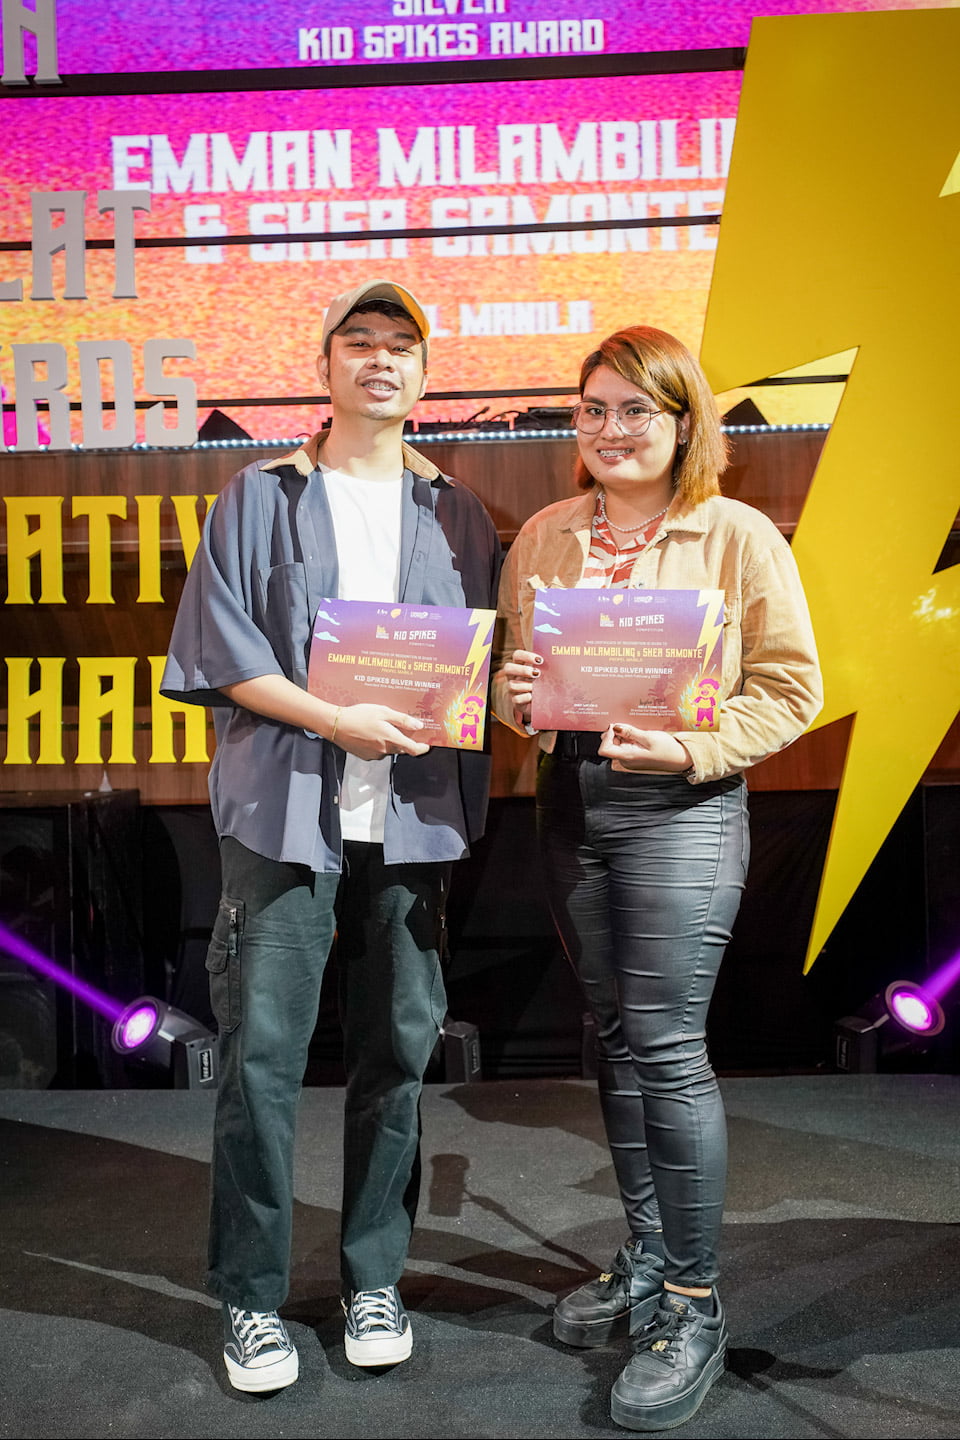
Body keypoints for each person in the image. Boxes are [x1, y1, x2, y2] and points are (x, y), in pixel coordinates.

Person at [161, 279, 501, 1392]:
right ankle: (252, 1301)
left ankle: (373, 1279)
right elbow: (223, 655)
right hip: (285, 819)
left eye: (401, 344)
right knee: (260, 1062)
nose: (381, 359)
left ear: (424, 373)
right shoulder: (257, 495)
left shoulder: (457, 512)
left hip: (411, 821)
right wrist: (334, 718)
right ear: (326, 366)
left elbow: (477, 663)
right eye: (359, 342)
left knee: (395, 1057)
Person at [493, 325, 822, 1431]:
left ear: (684, 424)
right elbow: (514, 688)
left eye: (636, 409)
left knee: (669, 1045)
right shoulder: (545, 536)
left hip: (682, 805)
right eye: (593, 409)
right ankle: (645, 1257)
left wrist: (690, 747)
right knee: (616, 1036)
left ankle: (693, 1303)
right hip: (572, 802)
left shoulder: (735, 534)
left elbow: (792, 689)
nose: (611, 429)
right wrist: (516, 697)